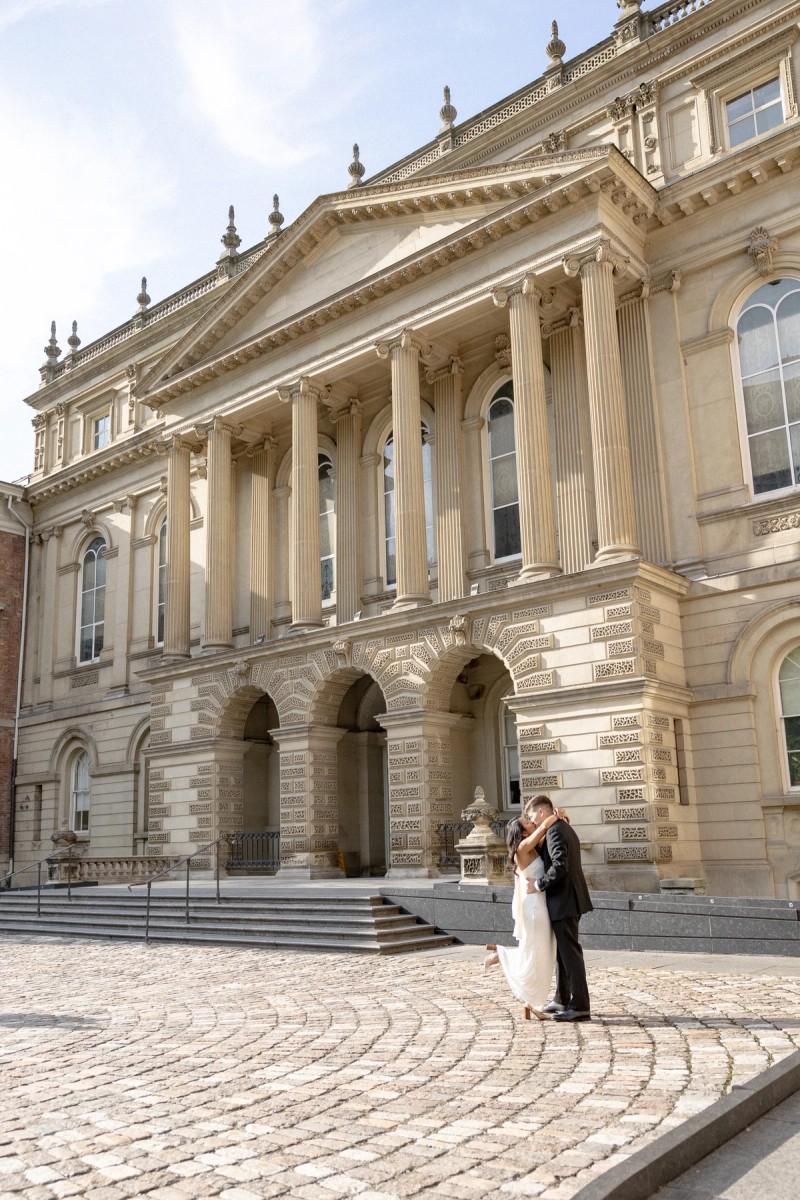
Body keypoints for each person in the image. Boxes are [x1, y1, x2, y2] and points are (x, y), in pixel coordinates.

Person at [483, 807, 561, 1021]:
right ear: (523, 832)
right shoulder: (522, 848)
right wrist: (554, 815)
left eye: (529, 819)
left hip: (540, 902)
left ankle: (532, 1003)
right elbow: (545, 825)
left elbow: (548, 831)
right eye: (527, 821)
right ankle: (502, 955)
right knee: (537, 953)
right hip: (534, 906)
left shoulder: (533, 846)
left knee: (542, 953)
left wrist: (562, 819)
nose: (531, 821)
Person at [525, 794, 593, 1023]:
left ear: (542, 812)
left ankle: (580, 1006)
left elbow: (560, 866)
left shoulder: (555, 830)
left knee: (570, 955)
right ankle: (562, 998)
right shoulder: (559, 826)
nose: (532, 821)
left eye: (533, 816)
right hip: (568, 899)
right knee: (563, 955)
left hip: (564, 901)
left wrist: (538, 884)